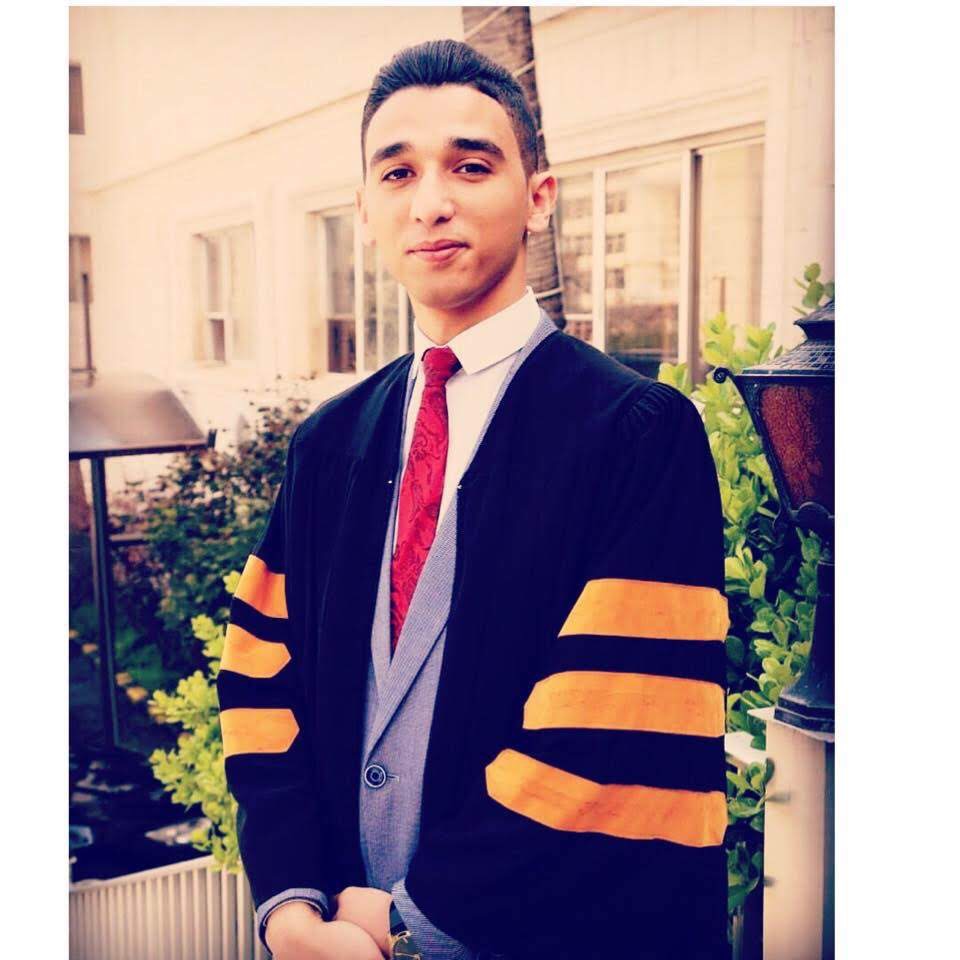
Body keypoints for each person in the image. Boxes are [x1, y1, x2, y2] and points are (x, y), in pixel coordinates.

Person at [217, 38, 730, 960]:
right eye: (398, 173)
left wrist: (407, 923)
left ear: (539, 196)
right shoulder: (328, 446)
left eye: (470, 165)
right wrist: (291, 905)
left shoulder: (637, 434)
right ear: (366, 211)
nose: (431, 202)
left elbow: (614, 738)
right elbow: (262, 685)